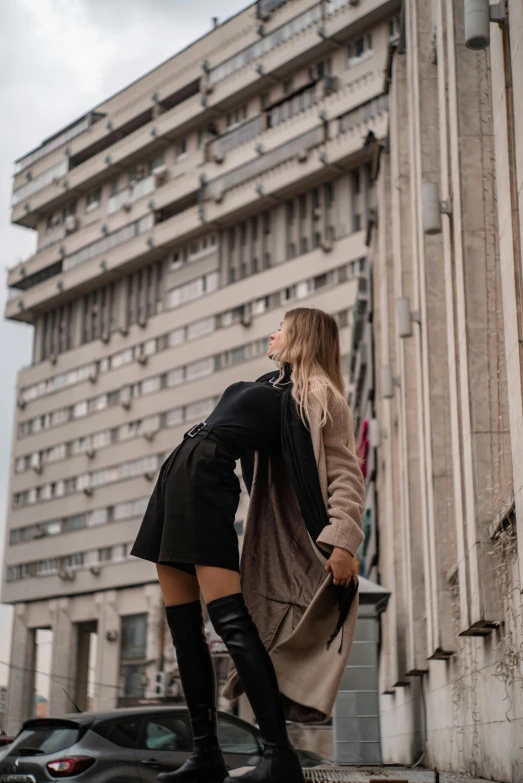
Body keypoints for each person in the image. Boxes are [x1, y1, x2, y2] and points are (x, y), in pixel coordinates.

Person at [130, 307, 365, 783]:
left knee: (229, 620)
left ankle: (280, 757)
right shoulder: (273, 384)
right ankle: (205, 755)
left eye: (281, 326)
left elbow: (344, 473)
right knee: (182, 626)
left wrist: (342, 539)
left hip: (206, 482)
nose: (272, 333)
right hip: (176, 480)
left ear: (302, 335)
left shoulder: (319, 396)